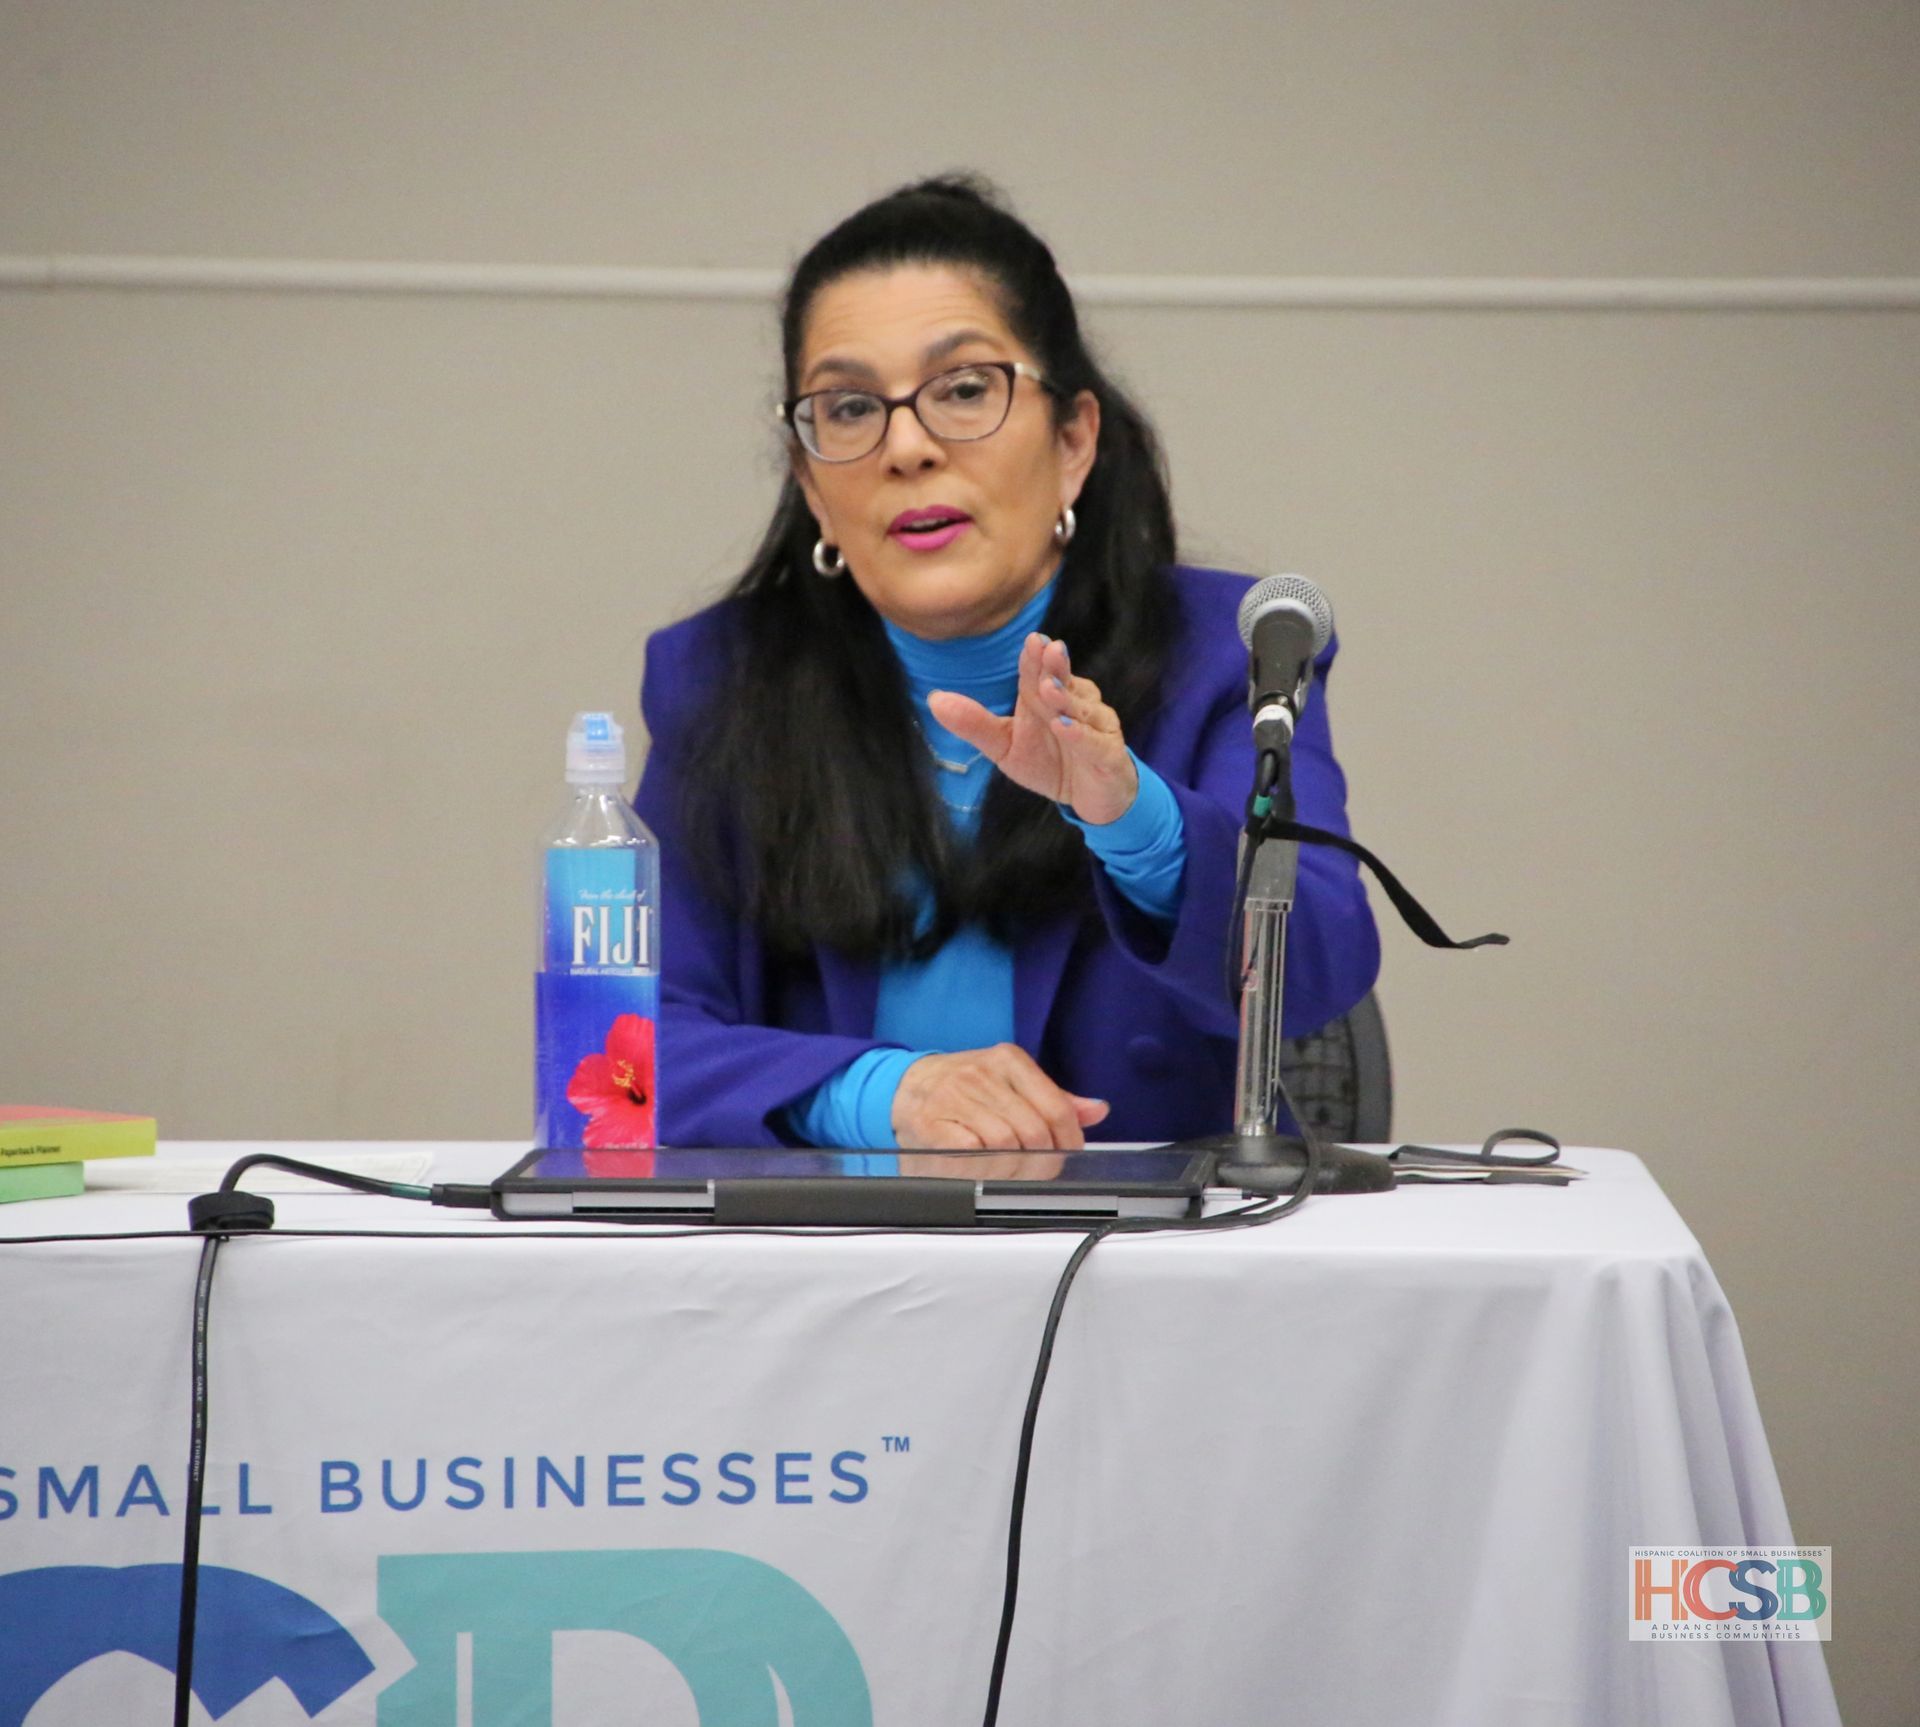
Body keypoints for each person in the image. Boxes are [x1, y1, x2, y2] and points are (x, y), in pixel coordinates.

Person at [634, 175, 1378, 1151]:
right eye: (850, 407)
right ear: (811, 485)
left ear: (1073, 440)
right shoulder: (724, 678)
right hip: (826, 1267)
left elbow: (1319, 964)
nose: (907, 446)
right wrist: (876, 1095)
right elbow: (618, 1050)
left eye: (965, 389)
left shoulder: (1225, 653)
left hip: (1150, 1269)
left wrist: (1136, 821)